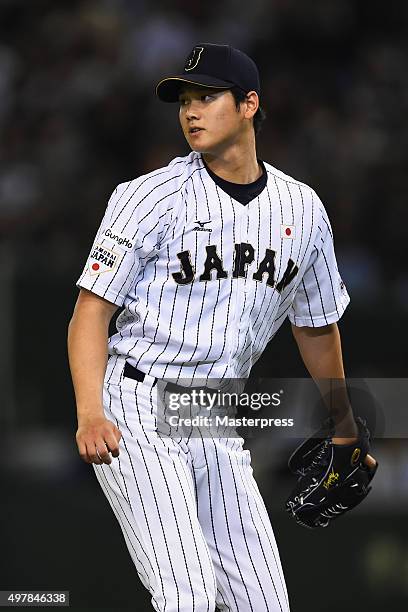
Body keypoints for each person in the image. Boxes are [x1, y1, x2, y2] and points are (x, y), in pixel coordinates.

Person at [68, 43, 371, 612]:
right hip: (134, 402)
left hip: (213, 412)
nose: (190, 111)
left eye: (207, 96)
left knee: (264, 603)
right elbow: (91, 312)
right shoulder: (148, 197)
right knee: (188, 594)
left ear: (250, 104)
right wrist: (90, 410)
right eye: (184, 99)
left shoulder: (302, 209)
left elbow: (316, 326)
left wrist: (344, 427)